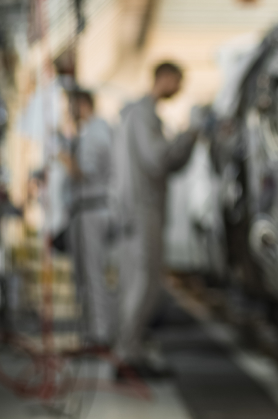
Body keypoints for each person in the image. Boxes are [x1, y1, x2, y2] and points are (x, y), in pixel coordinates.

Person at [111, 62, 198, 377]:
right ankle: (127, 356)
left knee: (140, 282)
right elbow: (158, 159)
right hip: (141, 208)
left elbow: (165, 162)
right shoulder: (143, 114)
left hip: (140, 208)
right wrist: (188, 135)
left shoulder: (141, 114)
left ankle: (131, 351)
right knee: (142, 283)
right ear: (164, 77)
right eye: (179, 80)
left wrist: (189, 140)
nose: (180, 88)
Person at [59, 90, 115, 349]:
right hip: (85, 210)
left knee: (92, 275)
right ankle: (93, 332)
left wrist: (64, 159)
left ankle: (100, 334)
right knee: (85, 275)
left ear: (82, 104)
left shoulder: (95, 134)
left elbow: (86, 173)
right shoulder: (90, 132)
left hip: (91, 209)